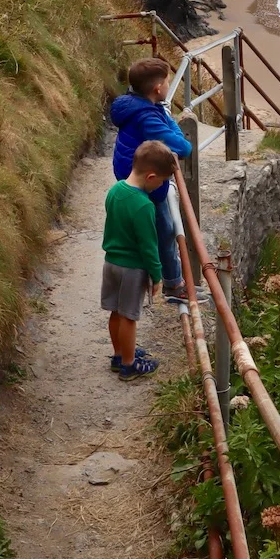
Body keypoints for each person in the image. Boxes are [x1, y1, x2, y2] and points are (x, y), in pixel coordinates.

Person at [110, 57, 193, 301]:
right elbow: (184, 146)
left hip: (132, 173)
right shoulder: (148, 118)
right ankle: (172, 284)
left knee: (160, 229)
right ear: (158, 89)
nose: (169, 85)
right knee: (164, 231)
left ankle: (168, 279)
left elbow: (166, 124)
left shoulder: (137, 105)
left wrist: (166, 119)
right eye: (167, 82)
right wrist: (173, 125)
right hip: (146, 181)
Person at [101, 138, 175, 380]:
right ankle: (129, 365)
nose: (160, 186)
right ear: (151, 178)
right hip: (132, 269)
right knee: (129, 316)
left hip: (111, 263)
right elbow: (149, 246)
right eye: (162, 182)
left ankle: (119, 354)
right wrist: (157, 276)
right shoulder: (144, 206)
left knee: (115, 311)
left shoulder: (114, 191)